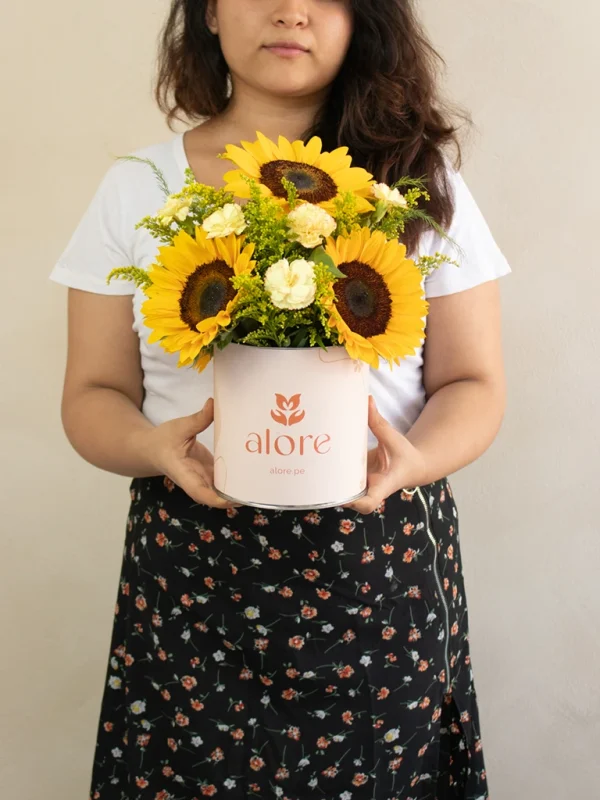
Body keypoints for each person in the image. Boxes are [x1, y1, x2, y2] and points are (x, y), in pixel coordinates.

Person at [50, 1, 511, 798]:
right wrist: (153, 446)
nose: (291, 11)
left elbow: (474, 383)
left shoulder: (417, 180)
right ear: (209, 12)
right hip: (194, 576)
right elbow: (94, 394)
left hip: (379, 566)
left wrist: (415, 461)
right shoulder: (136, 188)